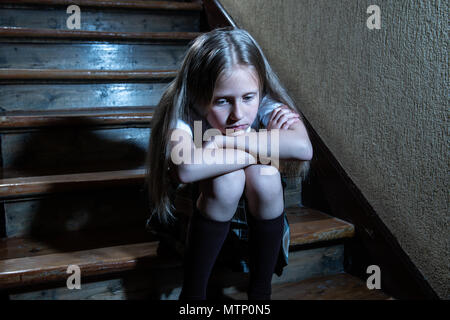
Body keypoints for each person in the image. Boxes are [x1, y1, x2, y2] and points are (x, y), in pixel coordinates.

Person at [146, 27, 312, 300]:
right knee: (227, 179)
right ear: (199, 97)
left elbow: (303, 148)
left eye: (248, 98)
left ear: (259, 89)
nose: (238, 114)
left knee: (266, 176)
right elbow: (186, 168)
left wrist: (222, 143)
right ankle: (193, 296)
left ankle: (260, 295)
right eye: (222, 101)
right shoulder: (185, 111)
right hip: (197, 222)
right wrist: (266, 144)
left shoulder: (263, 101)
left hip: (259, 228)